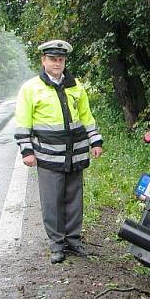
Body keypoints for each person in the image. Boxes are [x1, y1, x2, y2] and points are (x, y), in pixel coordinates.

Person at [14, 39, 103, 264]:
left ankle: (73, 240)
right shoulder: (30, 88)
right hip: (47, 155)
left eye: (61, 59)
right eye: (53, 59)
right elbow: (23, 122)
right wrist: (27, 151)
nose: (57, 63)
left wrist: (96, 141)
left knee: (74, 198)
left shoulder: (76, 86)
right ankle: (57, 244)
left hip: (76, 153)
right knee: (52, 201)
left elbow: (86, 116)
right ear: (43, 60)